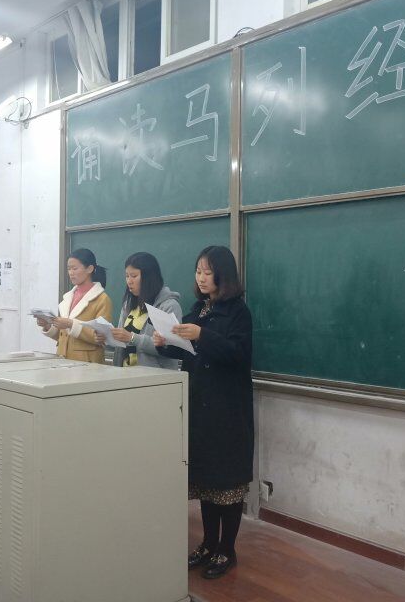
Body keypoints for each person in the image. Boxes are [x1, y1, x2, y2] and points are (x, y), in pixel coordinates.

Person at [153, 245, 253, 580]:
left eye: (208, 272)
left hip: (227, 411)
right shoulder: (198, 309)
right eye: (198, 271)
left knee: (227, 484)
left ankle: (227, 549)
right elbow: (187, 350)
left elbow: (238, 355)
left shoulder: (238, 312)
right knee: (206, 482)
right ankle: (209, 544)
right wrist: (165, 342)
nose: (201, 278)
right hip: (199, 408)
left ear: (224, 275)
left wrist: (203, 335)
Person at [37, 248, 112, 364]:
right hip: (63, 361)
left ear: (90, 269)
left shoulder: (102, 299)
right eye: (69, 269)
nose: (71, 273)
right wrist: (48, 325)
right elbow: (64, 336)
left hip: (87, 364)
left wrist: (71, 324)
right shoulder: (69, 297)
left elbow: (101, 337)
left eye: (75, 268)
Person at [110, 252, 182, 369]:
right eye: (127, 276)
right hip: (125, 373)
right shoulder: (129, 304)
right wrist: (108, 337)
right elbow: (121, 340)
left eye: (134, 276)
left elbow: (169, 349)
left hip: (154, 376)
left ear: (149, 277)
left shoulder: (169, 306)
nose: (129, 281)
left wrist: (132, 338)